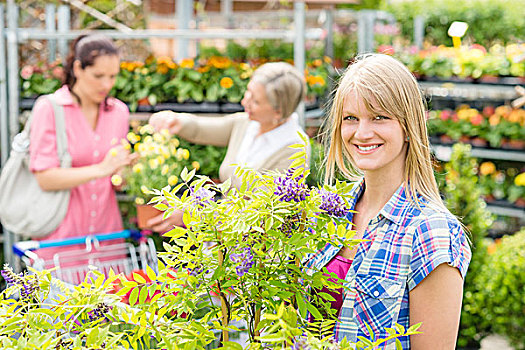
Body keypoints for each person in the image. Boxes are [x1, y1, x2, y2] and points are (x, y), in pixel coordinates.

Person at [304, 54, 471, 349]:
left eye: (379, 117)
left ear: (408, 126)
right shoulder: (329, 211)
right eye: (350, 118)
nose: (362, 132)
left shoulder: (431, 232)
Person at [147, 61, 310, 232]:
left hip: (257, 250)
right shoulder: (248, 123)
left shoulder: (294, 148)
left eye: (255, 101)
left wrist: (192, 213)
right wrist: (175, 120)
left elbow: (259, 212)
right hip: (222, 238)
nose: (244, 101)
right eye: (248, 91)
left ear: (278, 112)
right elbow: (200, 129)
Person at [30, 34, 136, 264]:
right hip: (60, 244)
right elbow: (45, 178)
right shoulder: (50, 109)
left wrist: (129, 172)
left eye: (113, 76)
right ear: (78, 68)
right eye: (98, 76)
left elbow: (116, 180)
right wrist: (101, 169)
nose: (107, 85)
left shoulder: (119, 112)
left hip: (108, 243)